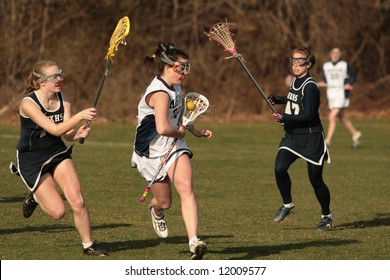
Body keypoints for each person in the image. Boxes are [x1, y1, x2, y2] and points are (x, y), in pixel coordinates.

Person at [9, 60, 108, 256]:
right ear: (41, 82)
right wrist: (80, 116)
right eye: (54, 76)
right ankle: (35, 196)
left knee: (78, 201)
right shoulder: (29, 103)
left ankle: (88, 245)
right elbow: (54, 128)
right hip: (32, 158)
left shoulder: (64, 98)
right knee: (58, 212)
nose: (59, 79)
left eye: (60, 74)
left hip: (56, 152)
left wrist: (76, 135)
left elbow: (65, 133)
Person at [131, 43, 212, 259]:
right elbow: (163, 128)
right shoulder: (159, 93)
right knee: (165, 202)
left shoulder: (176, 86)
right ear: (167, 66)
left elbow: (178, 118)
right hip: (151, 151)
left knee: (186, 187)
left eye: (187, 67)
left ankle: (194, 241)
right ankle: (156, 211)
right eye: (181, 68)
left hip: (174, 147)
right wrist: (181, 133)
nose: (185, 73)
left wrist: (194, 131)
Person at [268, 47, 333, 231]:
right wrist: (278, 99)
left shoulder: (311, 86)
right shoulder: (295, 81)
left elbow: (309, 115)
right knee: (279, 168)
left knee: (315, 179)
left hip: (311, 139)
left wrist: (284, 117)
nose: (295, 65)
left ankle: (326, 216)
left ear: (309, 64)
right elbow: (294, 99)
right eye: (293, 61)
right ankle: (287, 204)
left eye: (300, 61)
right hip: (293, 137)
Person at [318, 47, 361, 148]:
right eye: (333, 52)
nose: (335, 54)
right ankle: (355, 134)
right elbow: (325, 80)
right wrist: (320, 83)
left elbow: (353, 76)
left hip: (341, 94)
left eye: (337, 53)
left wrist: (349, 84)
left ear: (340, 55)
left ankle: (327, 141)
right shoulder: (326, 66)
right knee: (342, 117)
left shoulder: (344, 65)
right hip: (331, 94)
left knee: (331, 117)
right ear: (330, 54)